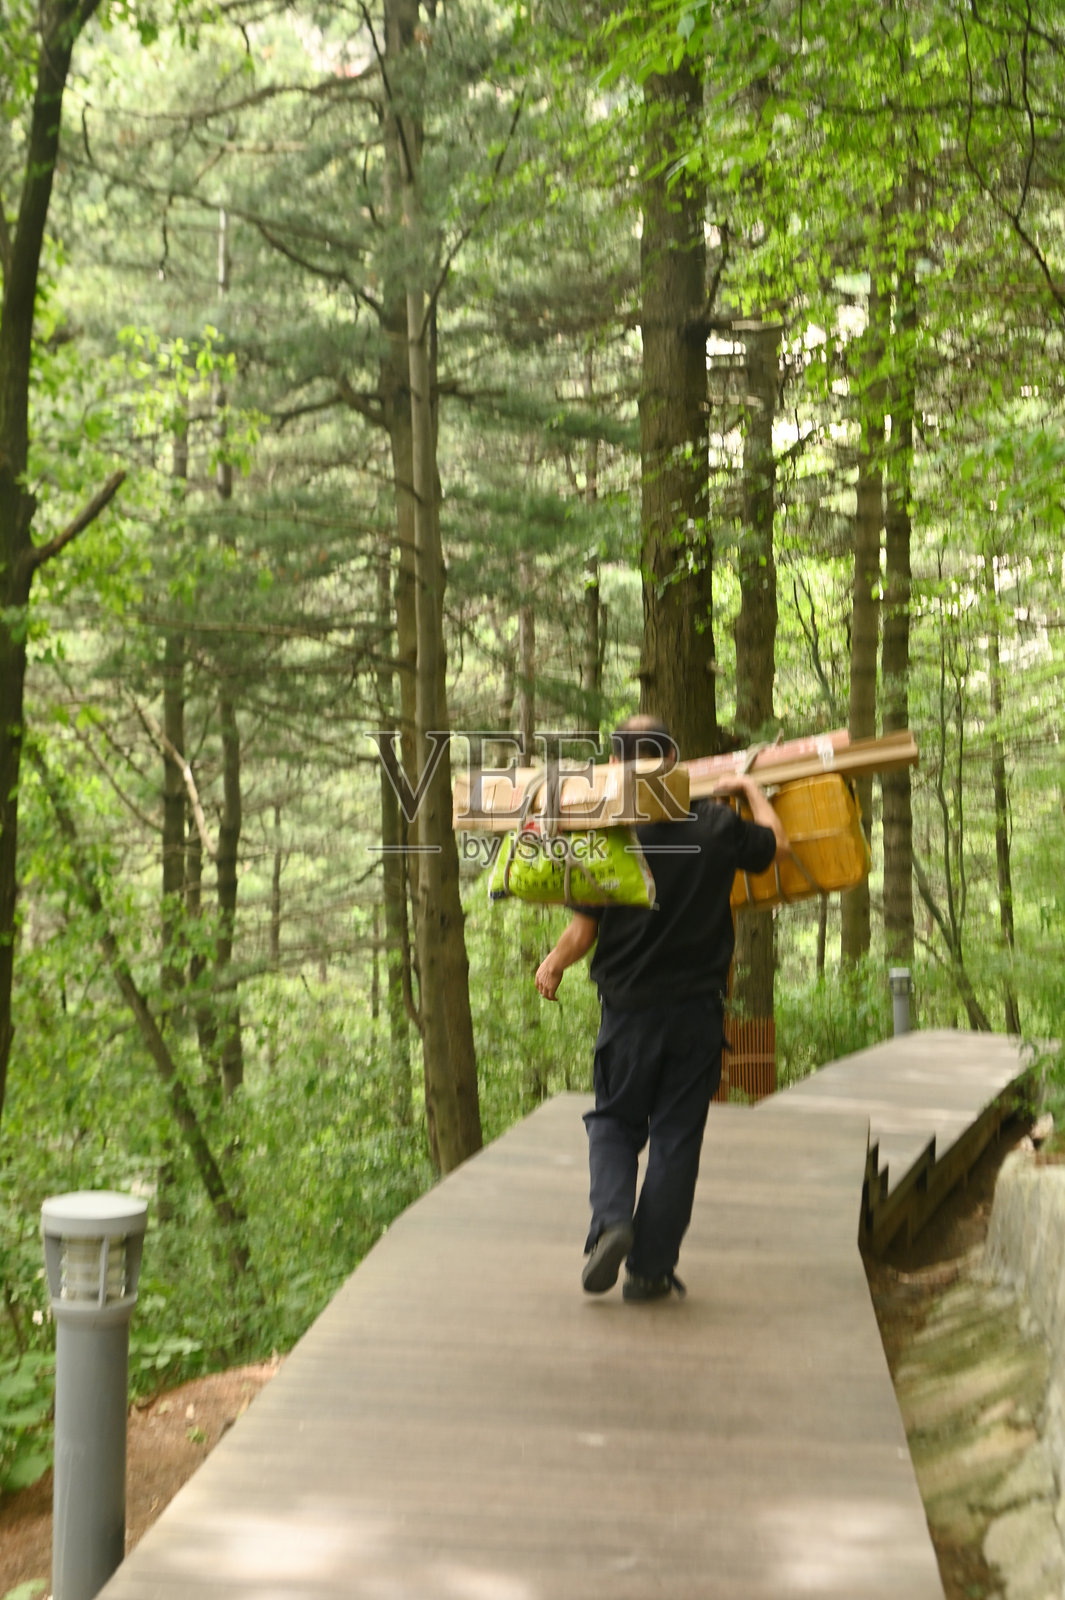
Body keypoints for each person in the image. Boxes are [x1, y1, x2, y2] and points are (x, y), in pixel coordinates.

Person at [535, 715, 790, 1302]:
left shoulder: (608, 838)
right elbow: (777, 846)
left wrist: (553, 965)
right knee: (677, 1136)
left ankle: (612, 1223)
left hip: (626, 1014)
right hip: (696, 1015)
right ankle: (649, 1270)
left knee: (615, 1123)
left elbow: (582, 931)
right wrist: (749, 788)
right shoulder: (717, 825)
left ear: (618, 770)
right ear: (674, 763)